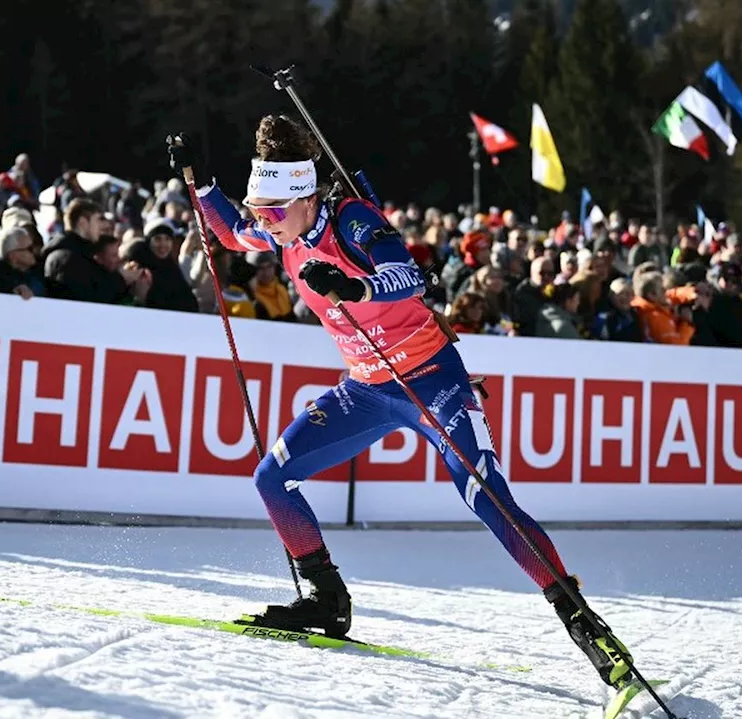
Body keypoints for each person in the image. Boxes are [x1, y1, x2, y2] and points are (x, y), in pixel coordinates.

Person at [168, 116, 634, 692]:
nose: (264, 221)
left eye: (273, 209)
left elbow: (409, 277)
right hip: (367, 387)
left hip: (432, 379)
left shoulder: (352, 219)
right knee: (272, 478)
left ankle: (586, 627)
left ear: (306, 196)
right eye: (261, 207)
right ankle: (324, 598)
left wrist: (355, 284)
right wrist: (201, 182)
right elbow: (234, 233)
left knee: (487, 497)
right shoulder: (282, 233)